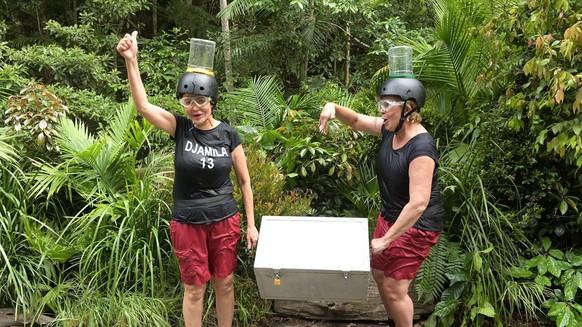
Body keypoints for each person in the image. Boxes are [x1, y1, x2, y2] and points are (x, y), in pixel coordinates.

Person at [116, 31, 259, 327]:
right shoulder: (180, 128)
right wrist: (132, 61)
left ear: (212, 100)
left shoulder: (228, 134)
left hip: (224, 220)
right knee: (194, 289)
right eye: (187, 101)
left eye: (200, 100)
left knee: (225, 283)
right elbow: (143, 106)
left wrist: (251, 224)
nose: (194, 107)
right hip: (187, 222)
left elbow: (245, 182)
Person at [319, 77, 444, 327]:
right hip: (390, 216)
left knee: (394, 288)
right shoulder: (389, 128)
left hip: (416, 225)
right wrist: (333, 106)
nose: (381, 110)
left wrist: (387, 240)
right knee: (379, 274)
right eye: (381, 104)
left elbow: (419, 204)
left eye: (387, 104)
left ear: (408, 108)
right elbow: (355, 120)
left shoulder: (421, 148)